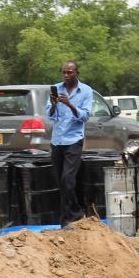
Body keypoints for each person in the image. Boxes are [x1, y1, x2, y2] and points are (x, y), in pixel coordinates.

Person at [46, 60, 92, 227]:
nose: (66, 75)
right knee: (61, 182)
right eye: (64, 72)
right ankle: (76, 212)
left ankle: (67, 219)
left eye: (70, 72)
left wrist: (70, 105)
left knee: (68, 179)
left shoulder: (85, 91)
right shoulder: (57, 89)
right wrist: (54, 105)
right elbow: (50, 116)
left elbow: (85, 116)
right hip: (57, 141)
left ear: (76, 73)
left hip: (74, 140)